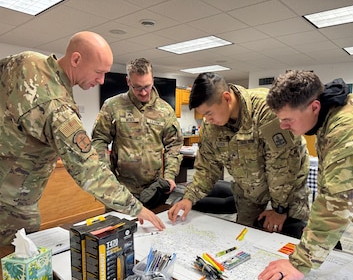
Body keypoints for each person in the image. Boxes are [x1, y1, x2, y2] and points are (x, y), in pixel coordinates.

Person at [0, 31, 165, 246]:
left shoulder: (27, 60)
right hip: (11, 205)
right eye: (98, 72)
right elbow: (90, 171)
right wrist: (136, 208)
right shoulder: (58, 109)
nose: (102, 80)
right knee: (17, 263)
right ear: (76, 59)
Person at [258, 70, 353, 280]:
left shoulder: (350, 126)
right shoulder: (330, 116)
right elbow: (331, 185)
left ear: (314, 107)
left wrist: (299, 262)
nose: (283, 126)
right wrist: (316, 227)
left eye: (288, 119)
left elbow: (338, 200)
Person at [168, 72, 310, 239]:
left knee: (288, 244)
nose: (207, 119)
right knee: (245, 239)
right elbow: (207, 168)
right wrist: (189, 198)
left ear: (227, 98)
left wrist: (280, 209)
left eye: (209, 113)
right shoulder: (211, 127)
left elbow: (284, 168)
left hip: (287, 193)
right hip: (249, 193)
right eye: (204, 115)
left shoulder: (267, 110)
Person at [91, 58, 183, 209]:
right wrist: (106, 175)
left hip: (154, 189)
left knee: (153, 229)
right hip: (121, 189)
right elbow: (99, 140)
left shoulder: (165, 110)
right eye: (138, 87)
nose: (144, 92)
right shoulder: (112, 106)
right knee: (120, 229)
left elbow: (174, 144)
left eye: (147, 86)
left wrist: (170, 176)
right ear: (128, 81)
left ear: (152, 80)